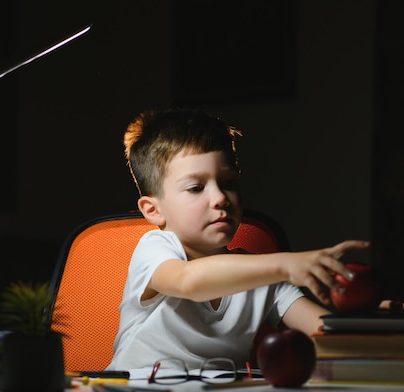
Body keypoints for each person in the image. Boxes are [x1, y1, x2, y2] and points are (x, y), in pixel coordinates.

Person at [106, 107, 370, 371]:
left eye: (229, 183)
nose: (220, 198)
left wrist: (371, 318)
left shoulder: (262, 277)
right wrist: (285, 265)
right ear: (154, 210)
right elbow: (189, 281)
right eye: (196, 188)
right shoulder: (156, 248)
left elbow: (329, 335)